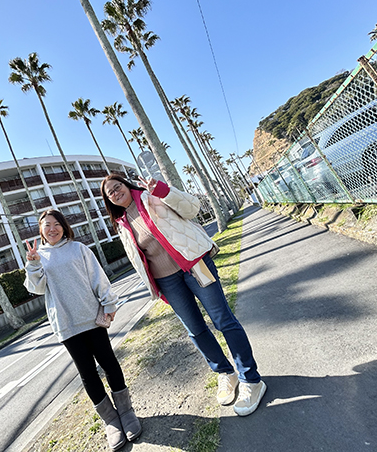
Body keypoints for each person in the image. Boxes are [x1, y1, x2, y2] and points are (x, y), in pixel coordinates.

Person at [100, 174, 267, 417]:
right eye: (111, 193)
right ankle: (225, 373)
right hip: (168, 281)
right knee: (195, 330)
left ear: (127, 185)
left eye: (118, 187)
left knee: (223, 320)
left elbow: (191, 208)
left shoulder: (151, 196)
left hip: (195, 265)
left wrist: (163, 191)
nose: (116, 193)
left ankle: (251, 379)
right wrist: (155, 287)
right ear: (108, 200)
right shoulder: (122, 224)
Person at [24, 209, 141, 450]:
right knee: (87, 373)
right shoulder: (38, 256)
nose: (53, 229)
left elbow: (98, 277)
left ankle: (126, 412)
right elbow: (36, 288)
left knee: (109, 362)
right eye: (47, 225)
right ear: (41, 230)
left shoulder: (78, 249)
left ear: (64, 227)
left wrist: (109, 303)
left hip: (91, 317)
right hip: (66, 324)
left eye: (57, 224)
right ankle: (111, 421)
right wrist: (33, 264)